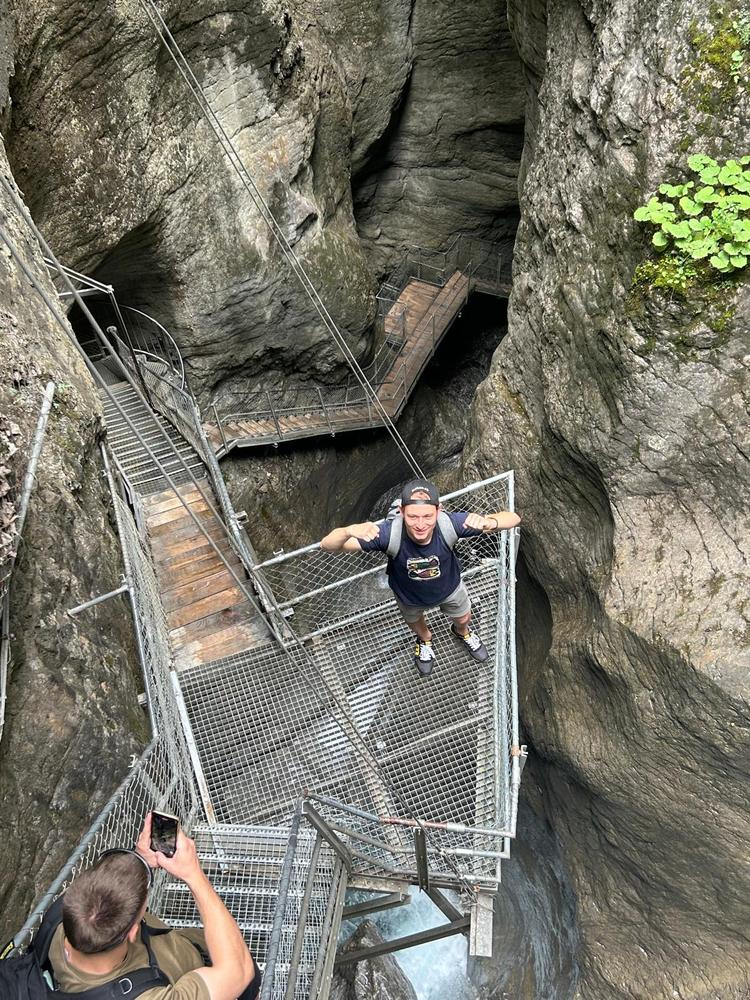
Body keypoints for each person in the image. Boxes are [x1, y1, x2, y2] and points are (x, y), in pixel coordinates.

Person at [320, 478, 521, 676]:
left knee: (464, 617)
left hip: (450, 589)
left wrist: (489, 522)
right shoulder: (388, 534)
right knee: (415, 621)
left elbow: (513, 519)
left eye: (427, 516)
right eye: (413, 516)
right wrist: (347, 531)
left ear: (438, 511)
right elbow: (328, 546)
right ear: (401, 512)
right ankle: (425, 639)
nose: (420, 524)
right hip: (409, 596)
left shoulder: (450, 524)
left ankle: (462, 631)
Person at [47, 813, 257, 1000]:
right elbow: (239, 972)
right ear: (133, 932)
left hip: (185, 947)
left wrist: (140, 860)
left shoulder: (65, 920)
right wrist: (193, 875)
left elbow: (104, 899)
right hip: (206, 974)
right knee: (250, 982)